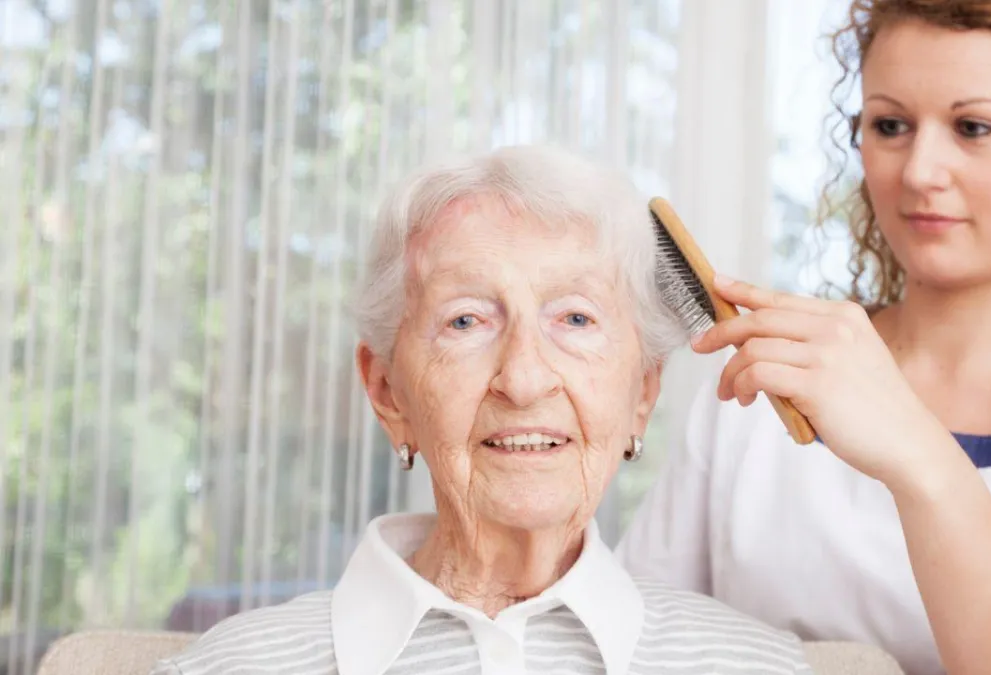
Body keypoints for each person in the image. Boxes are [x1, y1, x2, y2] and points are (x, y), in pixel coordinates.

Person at [617, 2, 991, 675]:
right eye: (890, 125)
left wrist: (918, 455)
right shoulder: (761, 384)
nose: (920, 171)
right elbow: (636, 639)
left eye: (974, 127)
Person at [149, 145, 813, 675]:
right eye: (465, 320)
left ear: (643, 392)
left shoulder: (761, 666)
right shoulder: (230, 666)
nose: (523, 379)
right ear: (386, 391)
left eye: (575, 318)